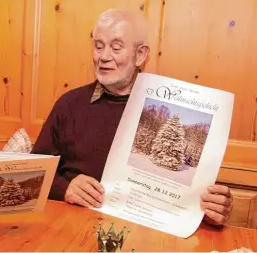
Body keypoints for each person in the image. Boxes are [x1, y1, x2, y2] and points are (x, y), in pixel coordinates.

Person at [31, 9, 233, 227]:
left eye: (116, 48)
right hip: (73, 227)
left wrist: (213, 208)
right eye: (99, 46)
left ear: (140, 55)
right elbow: (33, 173)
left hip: (146, 234)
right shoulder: (69, 104)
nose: (104, 56)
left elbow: (196, 195)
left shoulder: (163, 110)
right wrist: (65, 187)